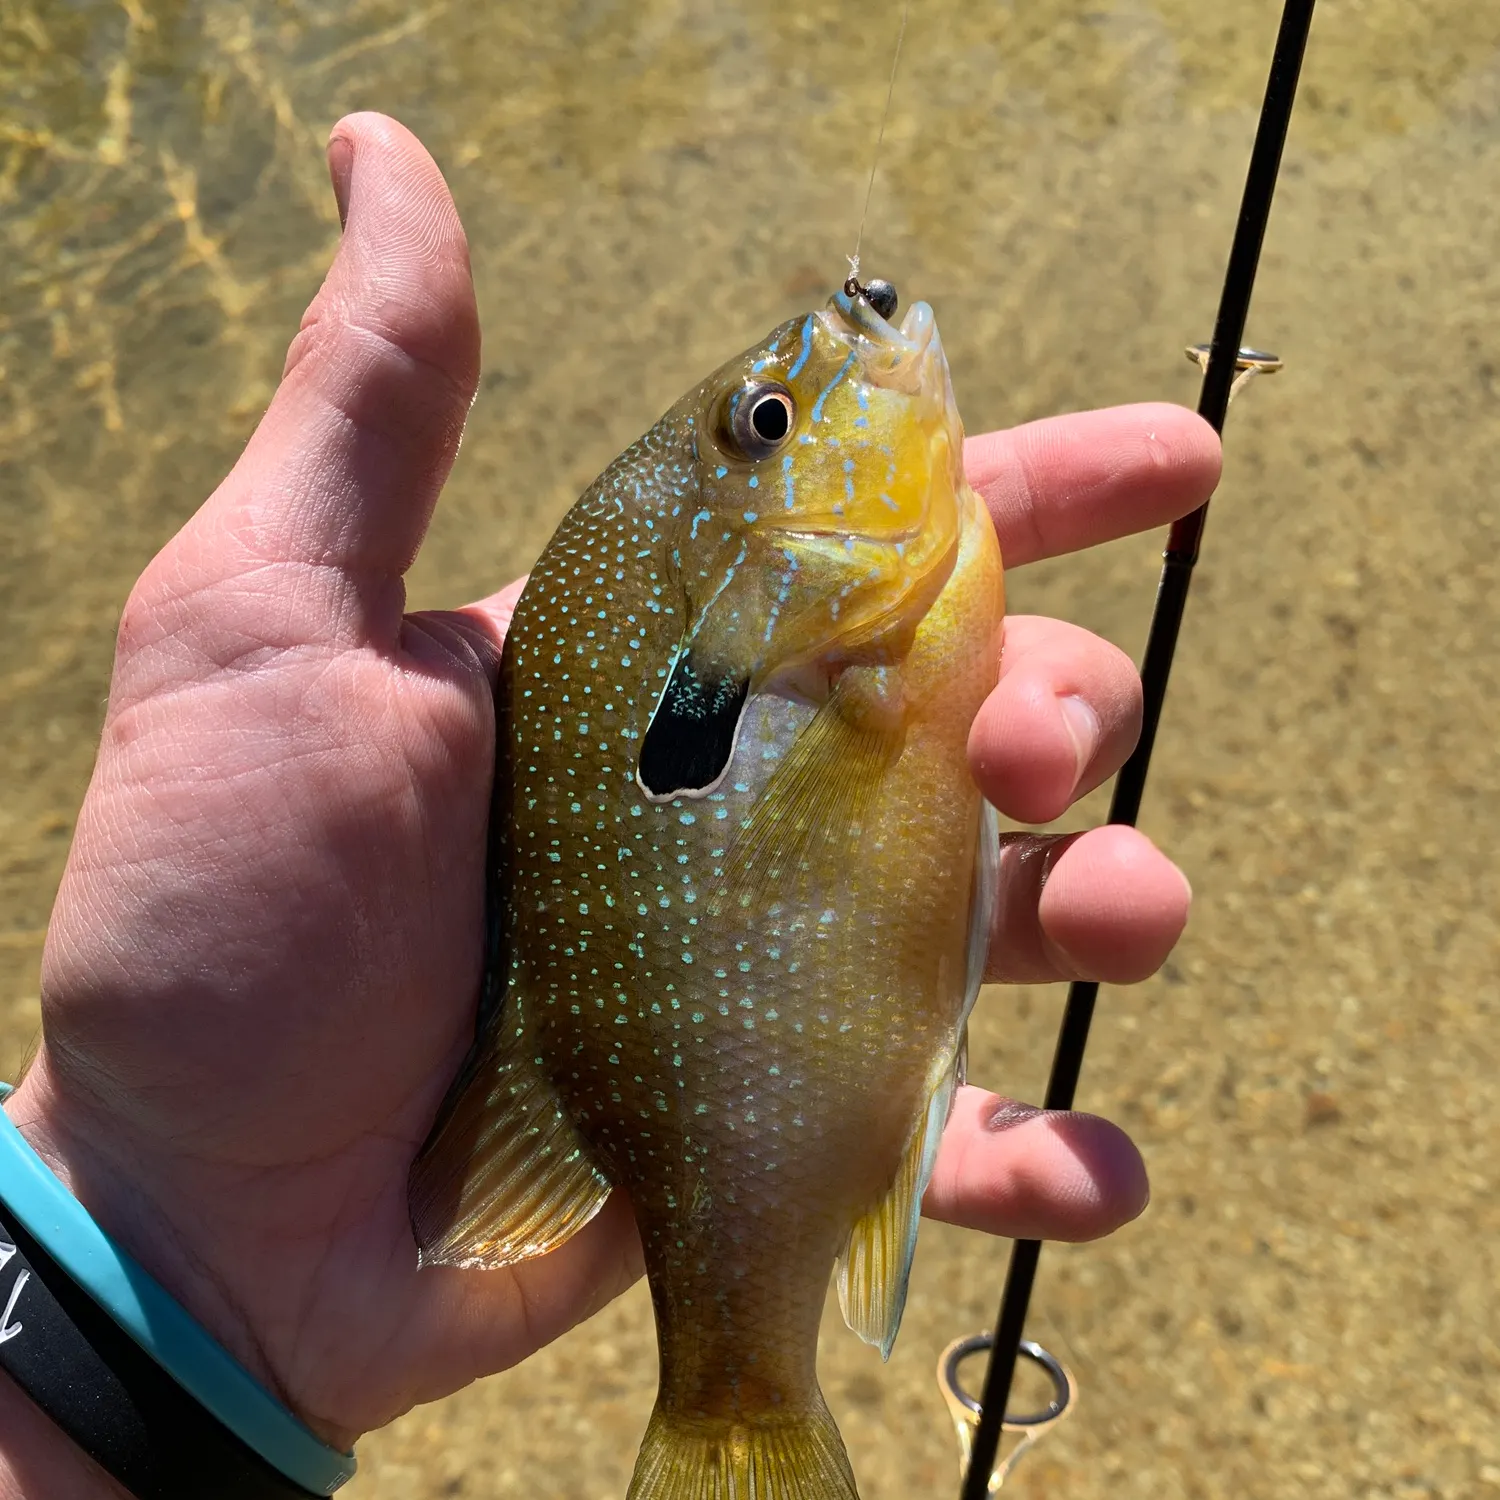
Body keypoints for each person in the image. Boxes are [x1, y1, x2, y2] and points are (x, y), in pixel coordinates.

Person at [0, 114, 1216, 1497]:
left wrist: (140, 1261)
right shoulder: (863, 636)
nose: (828, 361)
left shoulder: (850, 627)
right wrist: (147, 1219)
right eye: (770, 424)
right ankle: (737, 1405)